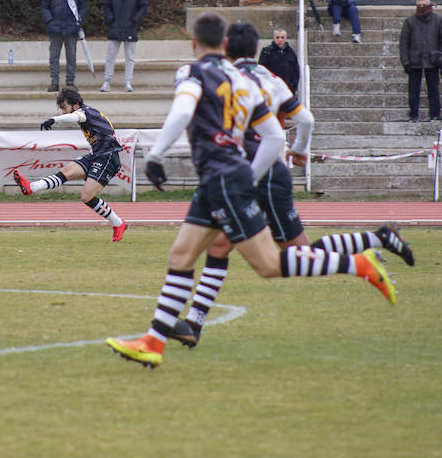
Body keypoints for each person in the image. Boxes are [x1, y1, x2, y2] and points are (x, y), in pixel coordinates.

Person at [105, 12, 396, 369]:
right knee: (181, 257)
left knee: (269, 264)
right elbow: (275, 136)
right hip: (226, 179)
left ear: (195, 44)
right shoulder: (243, 82)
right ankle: (153, 342)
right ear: (224, 45)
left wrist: (156, 154)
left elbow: (182, 111)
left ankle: (359, 265)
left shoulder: (192, 72)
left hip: (222, 179)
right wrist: (250, 175)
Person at [167, 22, 414, 348]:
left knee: (296, 252)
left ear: (225, 47)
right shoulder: (272, 79)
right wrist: (299, 150)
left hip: (259, 174)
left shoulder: (229, 77)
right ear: (257, 50)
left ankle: (372, 243)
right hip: (259, 170)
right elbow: (306, 119)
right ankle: (194, 324)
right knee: (220, 246)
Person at [12, 87, 128, 242]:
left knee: (86, 197)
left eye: (64, 108)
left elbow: (75, 117)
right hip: (96, 155)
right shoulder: (85, 113)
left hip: (108, 158)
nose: (63, 112)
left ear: (76, 105)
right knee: (67, 171)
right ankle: (31, 187)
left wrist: (55, 119)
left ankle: (118, 223)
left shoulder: (84, 112)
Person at [41, 0, 88, 92]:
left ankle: (70, 83)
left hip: (72, 29)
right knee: (54, 57)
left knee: (71, 57)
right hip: (55, 30)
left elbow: (83, 6)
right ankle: (54, 82)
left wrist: (80, 20)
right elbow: (44, 7)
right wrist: (49, 20)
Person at [101, 0, 148, 93]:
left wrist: (135, 19)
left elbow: (143, 6)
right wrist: (110, 18)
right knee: (110, 56)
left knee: (130, 57)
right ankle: (107, 82)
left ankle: (128, 82)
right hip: (115, 27)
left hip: (130, 27)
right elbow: (107, 5)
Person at [399, 0, 442, 122]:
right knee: (413, 90)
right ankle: (413, 115)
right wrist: (405, 61)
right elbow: (404, 43)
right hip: (414, 60)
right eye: (419, 5)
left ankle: (435, 114)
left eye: (424, 5)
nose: (422, 8)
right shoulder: (410, 21)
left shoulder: (438, 20)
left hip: (433, 60)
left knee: (433, 88)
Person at [257, 28, 300, 96]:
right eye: (278, 37)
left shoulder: (291, 53)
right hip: (271, 90)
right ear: (274, 38)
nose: (280, 40)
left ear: (285, 38)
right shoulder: (266, 52)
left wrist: (293, 86)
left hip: (288, 90)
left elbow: (296, 70)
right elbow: (260, 70)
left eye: (282, 37)